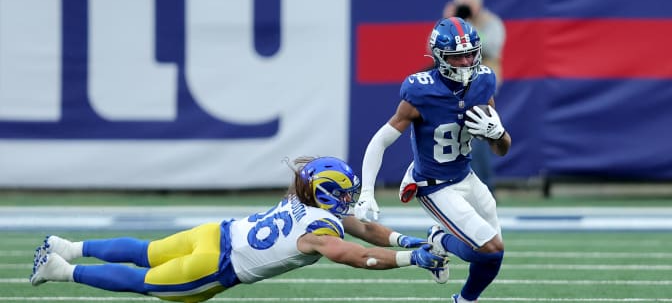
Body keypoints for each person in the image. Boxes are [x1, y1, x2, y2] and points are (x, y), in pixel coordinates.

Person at [29, 156, 447, 302]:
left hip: (214, 233)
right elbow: (351, 254)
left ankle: (69, 246)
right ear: (327, 195)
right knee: (145, 282)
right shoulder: (321, 229)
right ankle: (62, 270)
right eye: (345, 193)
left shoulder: (300, 197)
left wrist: (403, 240)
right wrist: (411, 259)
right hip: (218, 265)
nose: (350, 200)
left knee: (147, 250)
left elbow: (362, 229)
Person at [355, 17, 512, 303]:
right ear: (440, 56)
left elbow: (501, 148)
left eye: (470, 54)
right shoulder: (421, 90)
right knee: (490, 248)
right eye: (457, 56)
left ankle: (464, 300)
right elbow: (380, 141)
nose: (466, 62)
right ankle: (438, 239)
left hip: (466, 177)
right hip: (434, 185)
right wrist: (366, 192)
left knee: (494, 254)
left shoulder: (484, 82)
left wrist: (498, 133)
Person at [443, 0, 506, 194]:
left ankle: (486, 188)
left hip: (480, 86)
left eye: (468, 5)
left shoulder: (490, 23)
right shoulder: (451, 24)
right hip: (454, 87)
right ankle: (456, 187)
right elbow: (433, 48)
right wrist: (448, 24)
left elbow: (491, 46)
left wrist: (466, 28)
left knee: (479, 135)